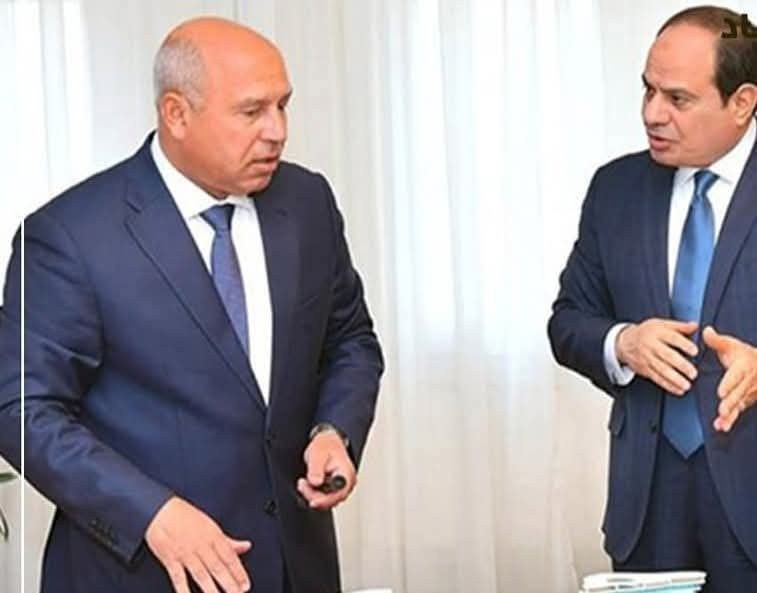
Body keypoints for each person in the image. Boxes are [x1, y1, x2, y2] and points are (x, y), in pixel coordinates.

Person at [0, 17, 383, 593]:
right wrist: (151, 514)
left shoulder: (307, 202)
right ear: (176, 114)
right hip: (139, 574)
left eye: (283, 106)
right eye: (252, 112)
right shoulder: (69, 236)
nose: (278, 131)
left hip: (294, 569)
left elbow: (350, 338)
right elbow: (21, 409)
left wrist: (335, 430)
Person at [549, 6, 757, 592]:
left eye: (677, 99)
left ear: (742, 102)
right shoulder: (615, 189)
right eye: (648, 90)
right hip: (647, 510)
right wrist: (623, 343)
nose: (651, 113)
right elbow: (568, 321)